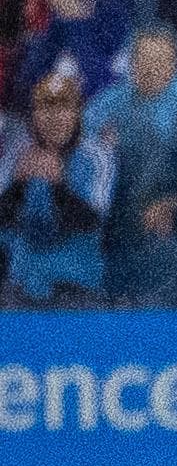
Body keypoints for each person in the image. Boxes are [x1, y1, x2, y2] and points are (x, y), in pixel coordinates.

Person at [85, 26, 177, 305]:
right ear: (131, 62)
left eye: (160, 61)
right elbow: (82, 140)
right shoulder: (109, 101)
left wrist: (176, 203)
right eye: (143, 59)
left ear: (175, 65)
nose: (150, 68)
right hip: (112, 229)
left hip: (171, 230)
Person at [0, 64, 107, 304]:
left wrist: (59, 188)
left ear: (78, 112)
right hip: (23, 283)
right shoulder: (18, 153)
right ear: (35, 115)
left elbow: (94, 223)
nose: (54, 117)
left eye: (64, 107)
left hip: (74, 284)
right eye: (46, 108)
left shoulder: (96, 154)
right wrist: (17, 186)